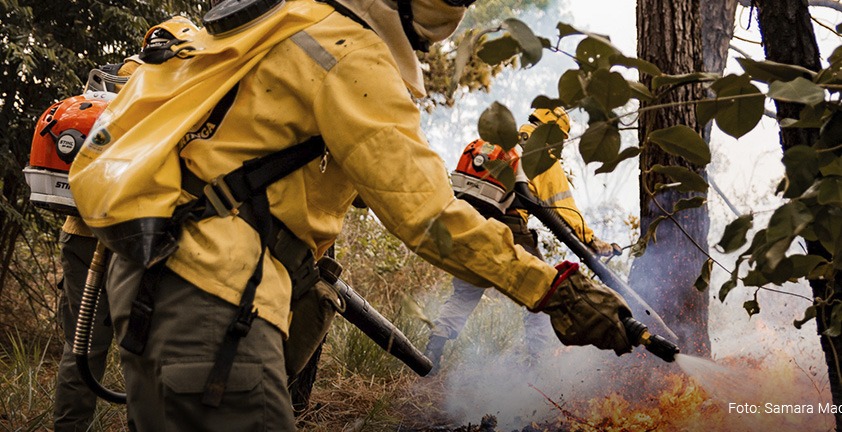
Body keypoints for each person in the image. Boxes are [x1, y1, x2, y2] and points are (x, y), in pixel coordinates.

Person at [69, 0, 633, 429]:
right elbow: (426, 215)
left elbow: (279, 160)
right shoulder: (349, 53)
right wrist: (554, 290)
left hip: (153, 284)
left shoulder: (287, 22)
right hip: (213, 301)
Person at [50, 18, 198, 432]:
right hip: (130, 236)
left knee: (84, 348)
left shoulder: (117, 78)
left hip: (87, 230)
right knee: (144, 351)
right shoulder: (158, 78)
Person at [424, 107, 623, 374]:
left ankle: (431, 351)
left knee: (464, 293)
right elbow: (562, 208)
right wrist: (593, 242)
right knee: (543, 289)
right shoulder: (543, 152)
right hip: (510, 227)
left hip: (470, 223)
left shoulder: (504, 143)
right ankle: (535, 364)